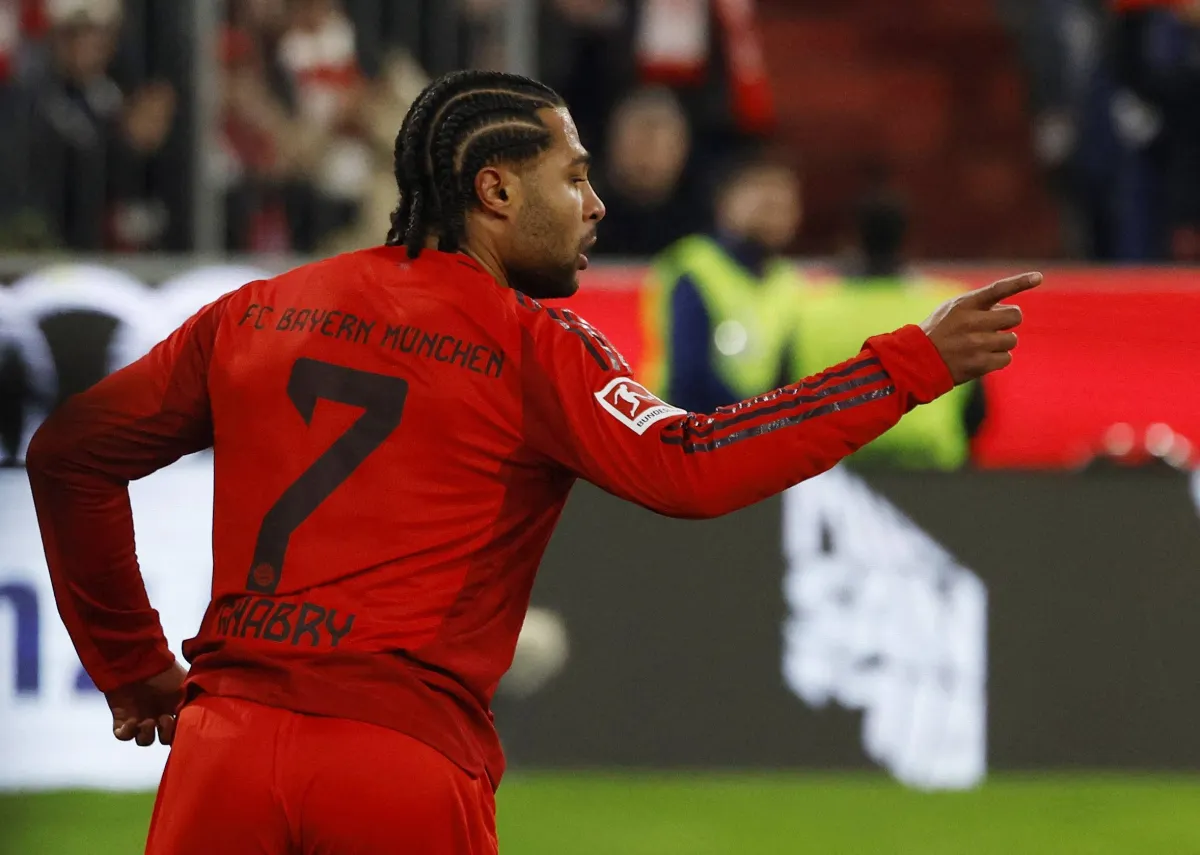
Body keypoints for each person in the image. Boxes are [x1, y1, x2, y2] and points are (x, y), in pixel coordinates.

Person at [25, 69, 1040, 855]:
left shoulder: (257, 311)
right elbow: (692, 464)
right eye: (575, 175)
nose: (596, 203)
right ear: (497, 188)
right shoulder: (530, 348)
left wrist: (134, 668)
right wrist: (907, 364)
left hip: (222, 756)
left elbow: (69, 455)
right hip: (399, 764)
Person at [791, 184, 987, 470]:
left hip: (835, 471)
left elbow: (784, 401)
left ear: (850, 240)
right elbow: (976, 410)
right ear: (909, 240)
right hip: (932, 470)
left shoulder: (809, 308)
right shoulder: (946, 306)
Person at [641, 152, 802, 413]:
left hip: (751, 427)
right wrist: (755, 418)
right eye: (766, 205)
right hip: (681, 423)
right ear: (725, 202)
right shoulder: (694, 267)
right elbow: (690, 378)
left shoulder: (787, 281)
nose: (775, 217)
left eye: (783, 208)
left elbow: (786, 373)